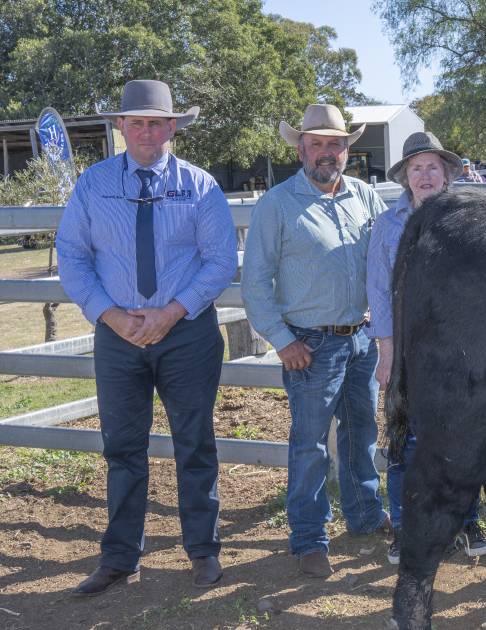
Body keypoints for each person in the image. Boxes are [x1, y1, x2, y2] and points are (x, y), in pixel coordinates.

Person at [57, 79, 237, 596]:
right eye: (135, 121)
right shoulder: (93, 185)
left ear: (173, 128)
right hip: (117, 336)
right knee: (122, 447)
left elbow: (220, 259)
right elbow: (72, 255)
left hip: (186, 335)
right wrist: (109, 315)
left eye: (156, 122)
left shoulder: (200, 186)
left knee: (195, 443)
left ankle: (203, 551)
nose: (145, 131)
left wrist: (172, 312)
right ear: (120, 126)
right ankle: (119, 557)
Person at [241, 104, 389, 577]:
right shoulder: (277, 204)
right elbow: (255, 281)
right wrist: (283, 341)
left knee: (361, 431)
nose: (328, 152)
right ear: (301, 147)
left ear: (349, 149)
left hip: (361, 337)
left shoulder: (365, 197)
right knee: (309, 444)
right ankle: (309, 536)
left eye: (336, 144)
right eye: (318, 143)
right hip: (309, 342)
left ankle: (365, 514)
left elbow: (386, 258)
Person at [370, 131, 486, 565]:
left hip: (460, 350)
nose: (424, 176)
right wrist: (387, 352)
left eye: (432, 168)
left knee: (464, 439)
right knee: (405, 442)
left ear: (446, 174)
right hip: (408, 350)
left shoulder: (469, 220)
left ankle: (466, 519)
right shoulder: (388, 226)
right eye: (416, 169)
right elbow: (380, 294)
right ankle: (405, 529)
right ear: (406, 178)